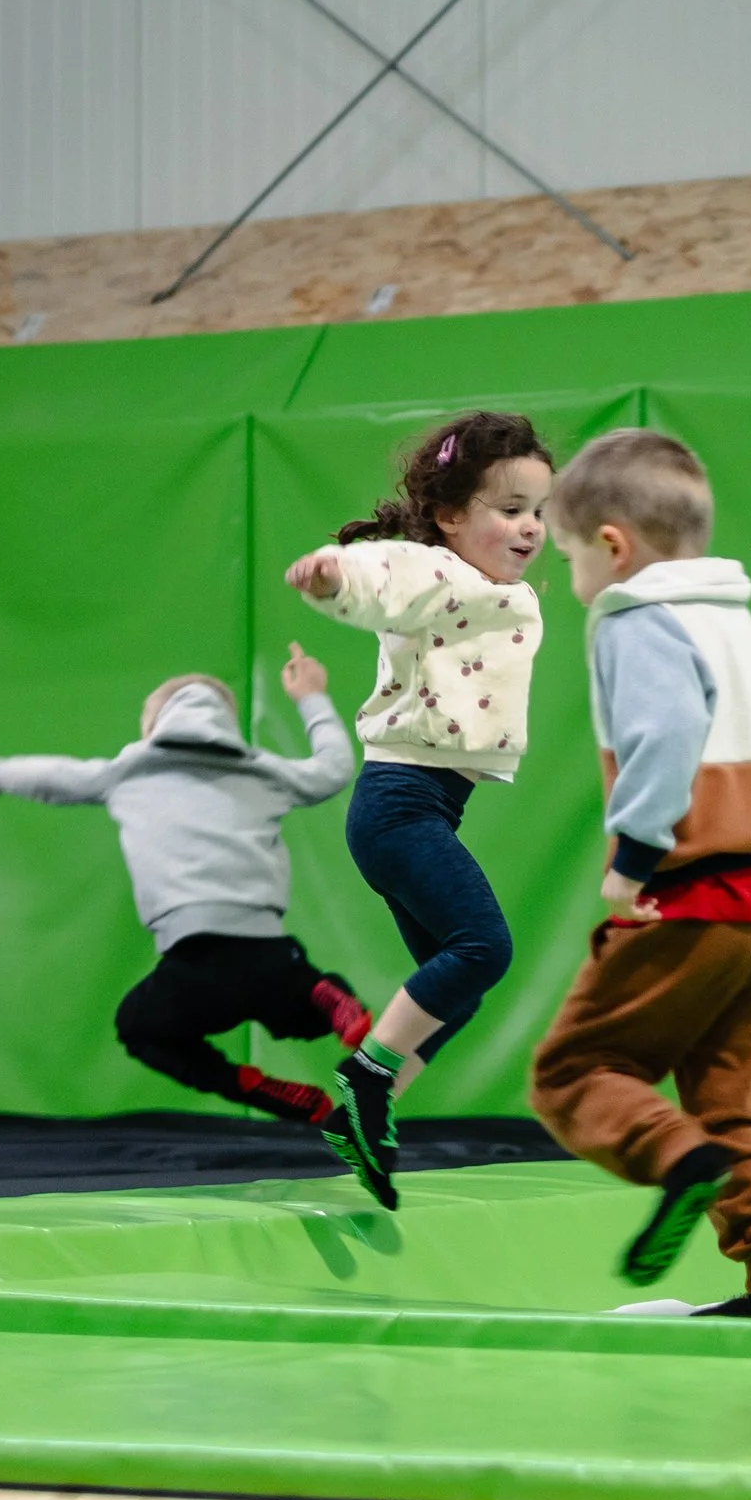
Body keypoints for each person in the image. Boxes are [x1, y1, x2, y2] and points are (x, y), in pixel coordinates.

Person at [529, 428, 751, 1316]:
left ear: (612, 545)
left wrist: (636, 857)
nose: (573, 578)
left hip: (695, 894)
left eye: (570, 557)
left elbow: (663, 731)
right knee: (735, 1105)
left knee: (574, 1072)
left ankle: (678, 1158)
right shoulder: (734, 616)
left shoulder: (632, 617)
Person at [287, 408, 551, 1208]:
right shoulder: (437, 571)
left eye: (539, 511)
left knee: (458, 988)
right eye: (511, 509)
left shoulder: (493, 588)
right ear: (449, 516)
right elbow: (385, 574)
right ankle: (369, 1077)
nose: (531, 527)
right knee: (484, 948)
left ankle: (362, 1113)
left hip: (420, 808)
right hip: (400, 805)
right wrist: (334, 577)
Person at [0, 655, 362, 1123]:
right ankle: (323, 992)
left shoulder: (128, 771)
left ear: (154, 727)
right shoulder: (262, 770)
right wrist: (311, 698)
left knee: (140, 1027)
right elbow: (333, 769)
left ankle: (249, 1085)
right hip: (269, 951)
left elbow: (58, 776)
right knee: (306, 1014)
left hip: (193, 957)